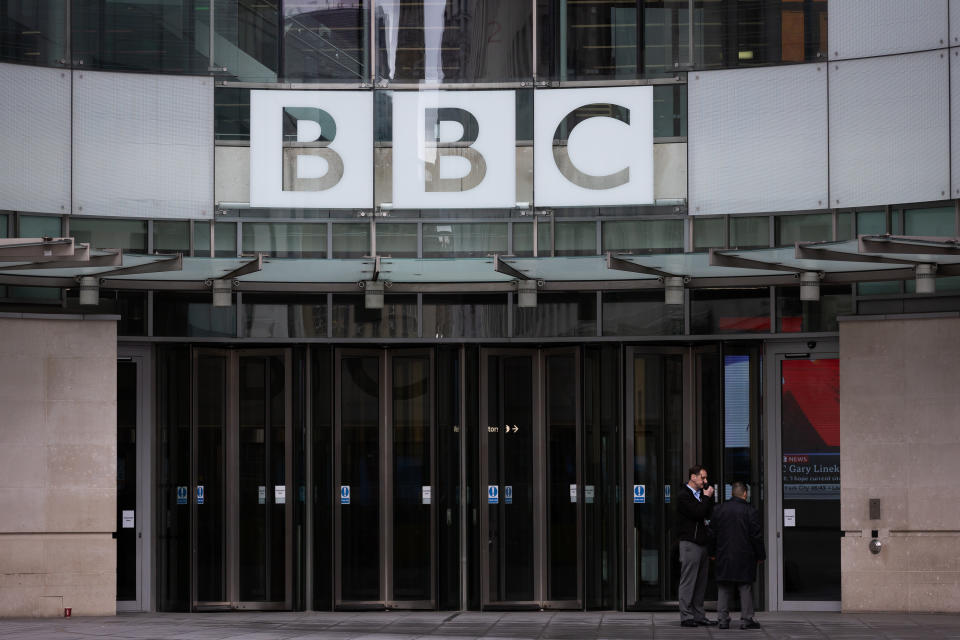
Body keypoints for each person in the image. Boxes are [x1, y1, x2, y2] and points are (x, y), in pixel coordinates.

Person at [712, 481, 765, 630]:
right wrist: (761, 555)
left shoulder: (719, 510)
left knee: (723, 587)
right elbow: (756, 536)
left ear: (732, 493)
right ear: (745, 494)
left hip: (724, 555)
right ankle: (747, 619)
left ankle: (722, 620)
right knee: (745, 587)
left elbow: (712, 534)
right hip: (744, 556)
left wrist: (712, 553)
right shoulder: (750, 511)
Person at [677, 465, 716, 627]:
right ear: (693, 477)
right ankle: (686, 616)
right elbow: (697, 513)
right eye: (703, 478)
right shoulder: (683, 495)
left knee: (701, 582)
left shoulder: (701, 495)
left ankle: (699, 615)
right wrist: (706, 498)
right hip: (689, 543)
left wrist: (707, 498)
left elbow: (708, 513)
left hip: (702, 543)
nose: (705, 481)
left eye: (706, 478)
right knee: (688, 580)